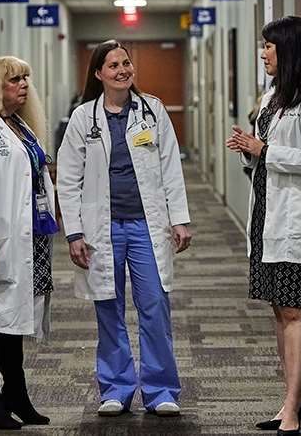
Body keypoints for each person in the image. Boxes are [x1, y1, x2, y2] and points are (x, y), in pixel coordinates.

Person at [56, 39, 192, 417]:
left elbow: (170, 168)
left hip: (147, 226)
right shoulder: (85, 118)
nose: (122, 70)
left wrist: (179, 219)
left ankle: (161, 390)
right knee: (109, 308)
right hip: (103, 230)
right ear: (98, 73)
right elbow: (67, 179)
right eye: (113, 65)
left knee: (154, 306)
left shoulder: (153, 111)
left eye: (126, 63)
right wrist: (74, 233)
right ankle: (115, 388)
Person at [226, 16, 301, 436]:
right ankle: (296, 397)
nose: (263, 53)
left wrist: (264, 148)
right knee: (280, 311)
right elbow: (263, 155)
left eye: (269, 47)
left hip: (294, 221)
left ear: (290, 49)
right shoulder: (274, 96)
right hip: (265, 215)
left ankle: (291, 408)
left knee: (294, 310)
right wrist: (249, 151)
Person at [0, 56, 57, 430]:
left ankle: (15, 392)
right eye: (14, 79)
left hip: (29, 234)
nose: (23, 85)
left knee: (14, 317)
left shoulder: (19, 125)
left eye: (25, 78)